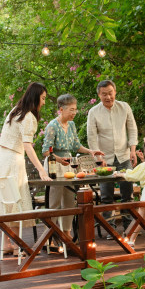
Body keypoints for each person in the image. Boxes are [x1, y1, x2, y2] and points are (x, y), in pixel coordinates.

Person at [0, 82, 52, 256]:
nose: (44, 103)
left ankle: (6, 244)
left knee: (5, 201)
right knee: (15, 201)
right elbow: (27, 145)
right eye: (43, 98)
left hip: (1, 159)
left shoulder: (15, 111)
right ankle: (17, 247)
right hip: (13, 160)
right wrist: (41, 169)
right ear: (35, 97)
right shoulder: (29, 117)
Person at [41, 94, 104, 249]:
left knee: (70, 200)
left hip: (69, 164)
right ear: (61, 109)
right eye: (71, 109)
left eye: (75, 109)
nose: (74, 112)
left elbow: (76, 146)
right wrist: (58, 159)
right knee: (54, 201)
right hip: (54, 165)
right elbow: (45, 151)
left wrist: (90, 151)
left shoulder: (72, 125)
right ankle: (50, 235)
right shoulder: (52, 126)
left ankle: (66, 232)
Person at [87, 79, 138, 231]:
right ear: (98, 95)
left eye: (110, 93)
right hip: (105, 159)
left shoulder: (125, 107)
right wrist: (98, 159)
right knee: (106, 196)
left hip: (124, 155)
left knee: (127, 194)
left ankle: (129, 227)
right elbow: (91, 137)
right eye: (104, 94)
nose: (108, 97)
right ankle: (110, 228)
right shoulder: (93, 112)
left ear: (115, 92)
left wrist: (133, 150)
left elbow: (132, 129)